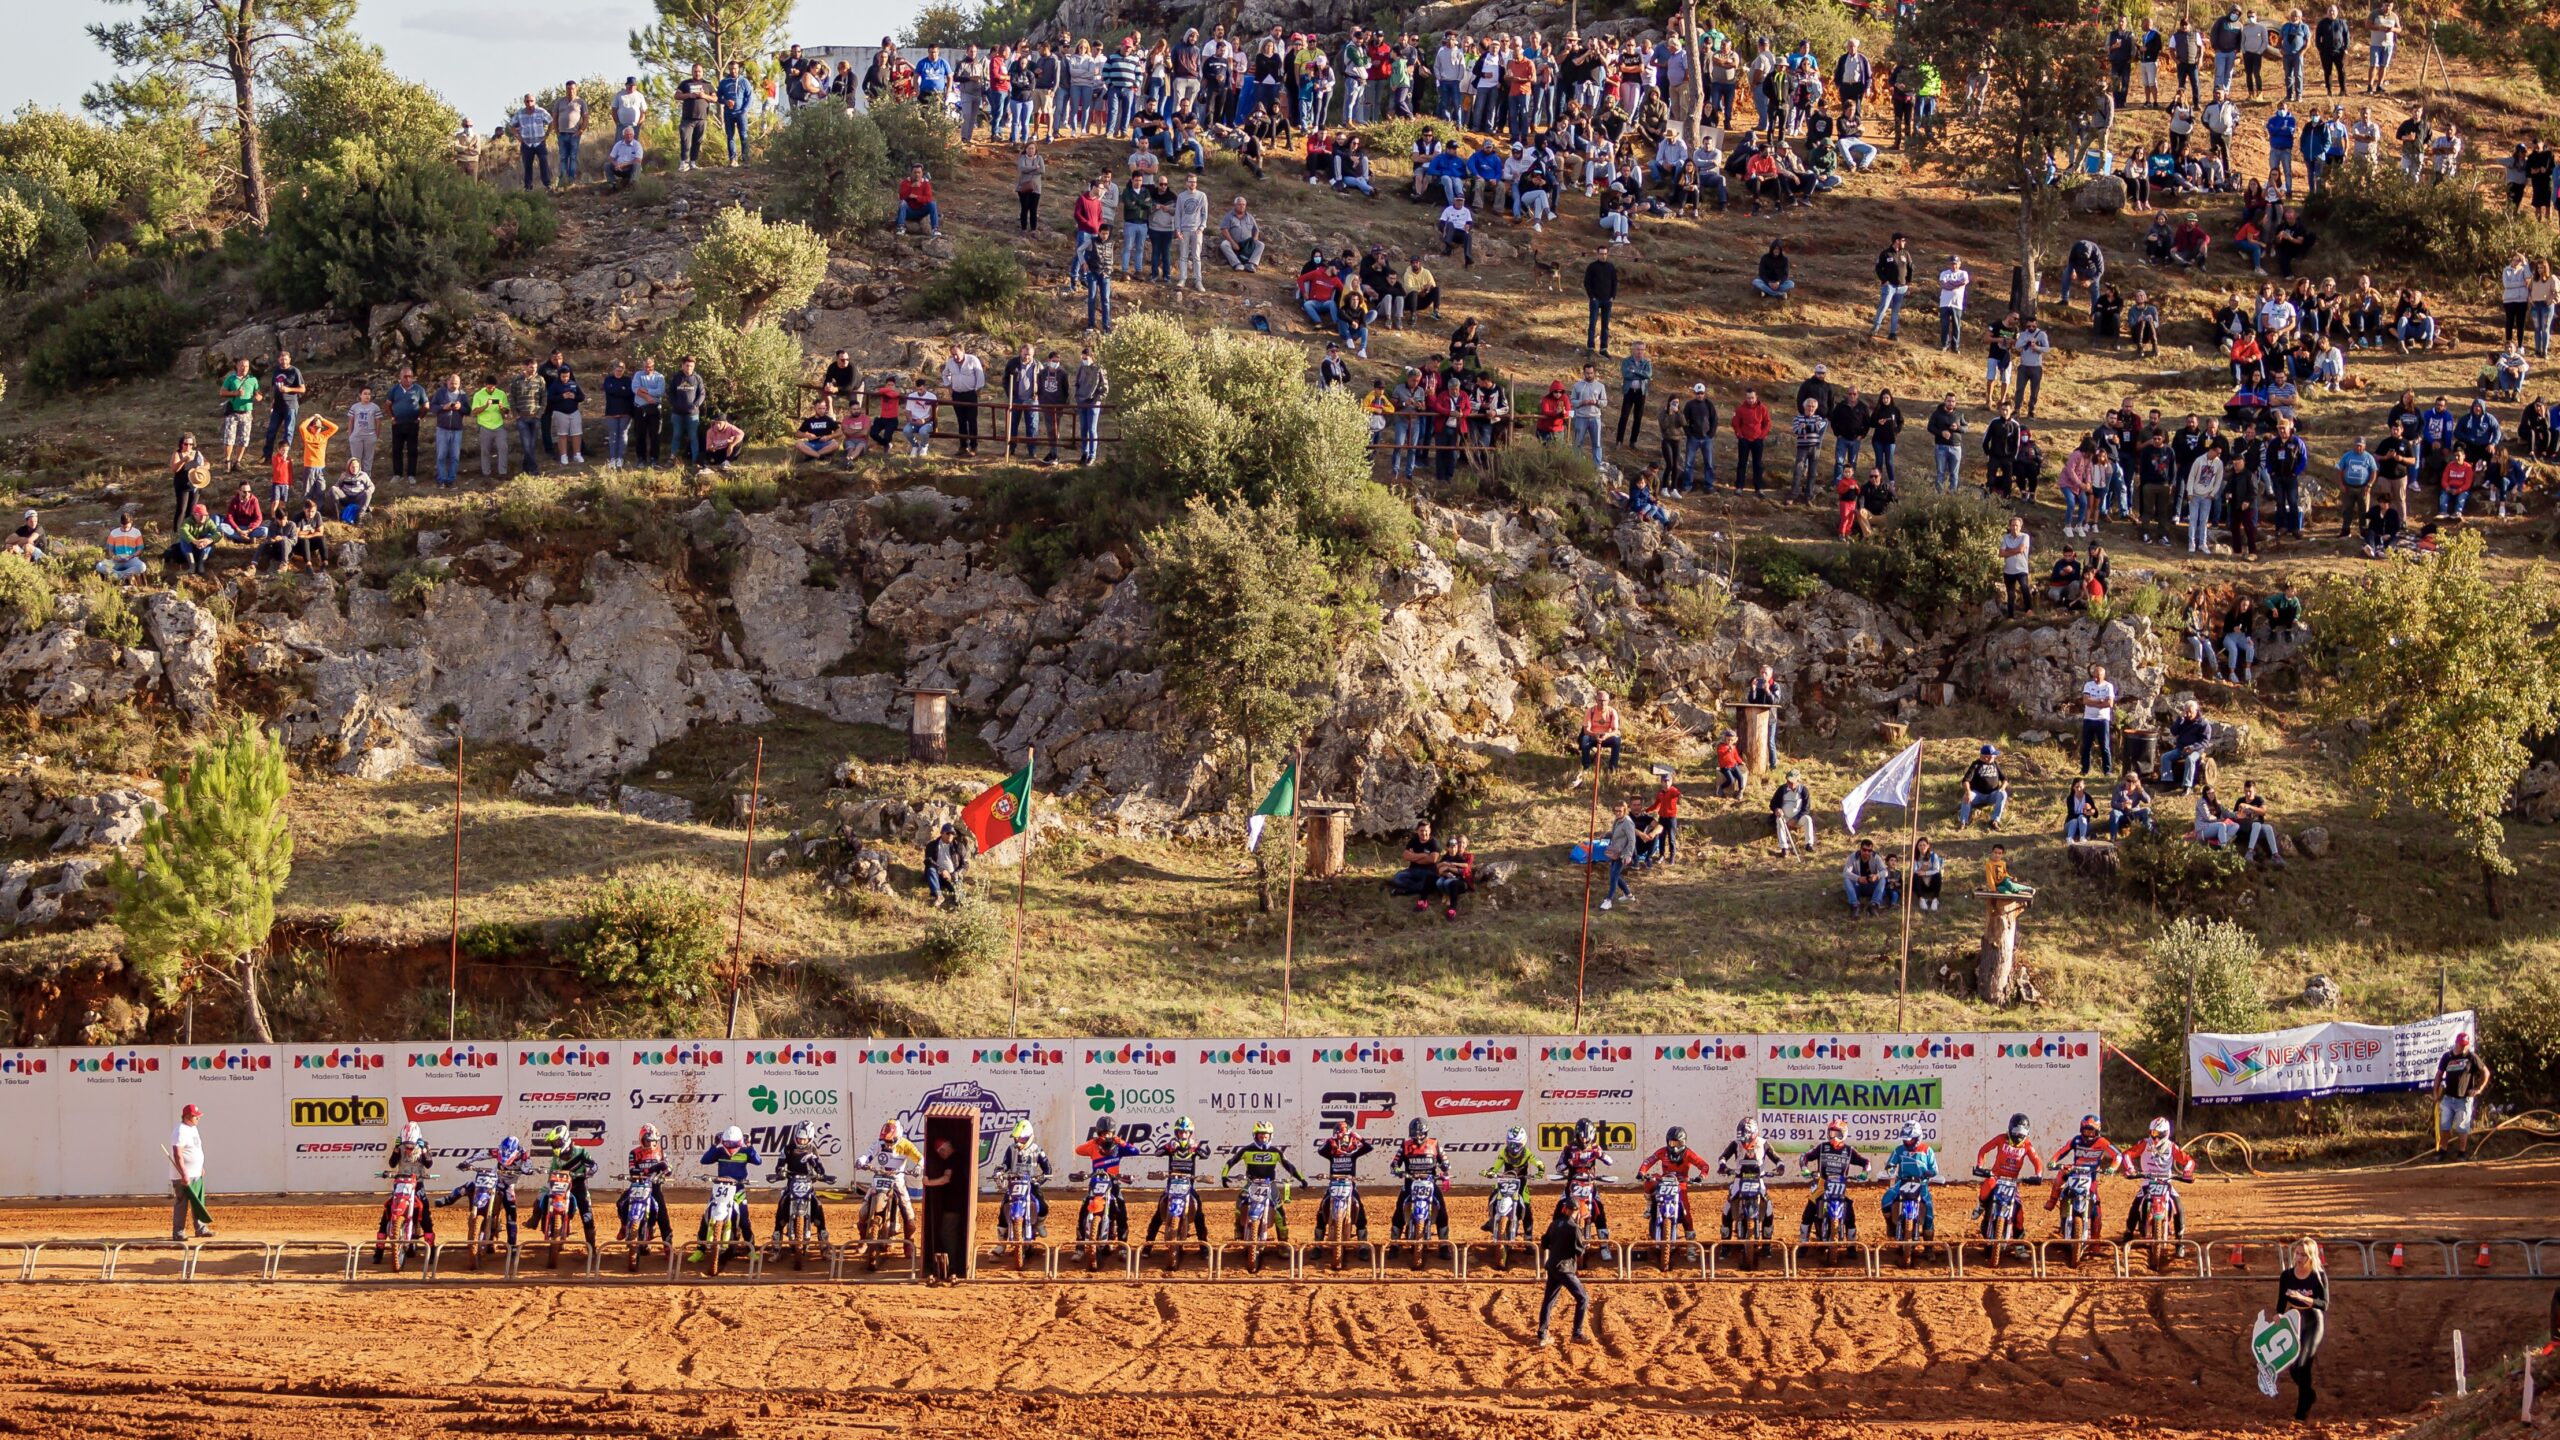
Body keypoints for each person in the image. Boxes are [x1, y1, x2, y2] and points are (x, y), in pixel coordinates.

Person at [1218, 1120, 1307, 1239]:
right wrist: (1224, 1176)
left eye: (1266, 1136)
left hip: (1270, 1184)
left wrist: (1301, 1179)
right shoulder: (1247, 1150)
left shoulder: (1275, 1152)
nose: (1263, 1139)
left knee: (1279, 1212)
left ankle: (1283, 1241)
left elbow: (1289, 1166)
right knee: (1240, 1204)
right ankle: (1238, 1230)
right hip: (1251, 1183)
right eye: (1260, 1136)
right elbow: (1231, 1161)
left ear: (1270, 1136)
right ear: (1255, 1136)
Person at [2276, 1237, 2329, 1420]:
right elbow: (2281, 1300)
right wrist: (2278, 1315)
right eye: (2297, 1254)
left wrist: (2304, 1298)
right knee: (2294, 1369)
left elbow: (2324, 1304)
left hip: (2313, 1321)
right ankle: (2308, 1395)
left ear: (2311, 1256)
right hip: (2294, 1319)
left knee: (2303, 1365)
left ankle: (2301, 1413)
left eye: (2303, 1255)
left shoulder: (2318, 1276)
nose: (2299, 1258)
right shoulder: (2287, 1275)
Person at [1796, 1119, 1872, 1242]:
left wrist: (1864, 1172)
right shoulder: (1822, 1147)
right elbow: (1805, 1156)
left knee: (1850, 1214)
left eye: (1838, 1134)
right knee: (1809, 1211)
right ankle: (1803, 1243)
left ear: (1844, 1134)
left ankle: (1852, 1245)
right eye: (1832, 1133)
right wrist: (1804, 1168)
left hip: (1841, 1187)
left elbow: (1866, 1162)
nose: (1834, 1137)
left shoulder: (1849, 1151)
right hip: (1823, 1184)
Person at [373, 1122, 439, 1261]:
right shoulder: (400, 1146)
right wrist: (397, 1149)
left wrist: (424, 1150)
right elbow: (392, 1163)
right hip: (401, 1183)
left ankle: (431, 1249)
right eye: (406, 1145)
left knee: (425, 1214)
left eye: (411, 1146)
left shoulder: (424, 1145)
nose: (408, 1149)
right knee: (388, 1210)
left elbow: (429, 1164)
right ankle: (379, 1250)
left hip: (417, 1184)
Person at [1534, 1200, 1590, 1346]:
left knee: (1548, 1301)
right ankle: (1577, 1333)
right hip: (1565, 1269)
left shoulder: (1554, 1224)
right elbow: (1579, 1251)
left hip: (1552, 1266)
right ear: (1578, 1211)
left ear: (1565, 1209)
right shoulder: (1574, 1228)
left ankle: (1542, 1334)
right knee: (1583, 1298)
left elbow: (1544, 1243)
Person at [2433, 1032, 2492, 1158]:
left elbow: (2486, 1072)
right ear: (2456, 1043)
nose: (2464, 1047)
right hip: (2448, 1098)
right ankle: (2443, 1150)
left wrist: (2479, 1088)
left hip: (2464, 1099)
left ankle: (2462, 1152)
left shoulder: (2471, 1057)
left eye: (2466, 1045)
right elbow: (2439, 1075)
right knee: (2445, 1126)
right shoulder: (2447, 1056)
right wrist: (2435, 1092)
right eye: (2462, 1044)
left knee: (2462, 1127)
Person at [167, 1102, 214, 1241]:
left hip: (196, 1174)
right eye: (195, 1116)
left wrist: (200, 1167)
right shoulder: (180, 1131)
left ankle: (201, 1228)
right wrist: (184, 1173)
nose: (198, 1118)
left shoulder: (193, 1129)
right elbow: (177, 1154)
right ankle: (178, 1232)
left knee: (198, 1202)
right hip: (183, 1176)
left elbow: (196, 1149)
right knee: (182, 1203)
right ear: (187, 1116)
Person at [1957, 744, 2009, 830]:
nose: (1995, 757)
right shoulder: (1976, 765)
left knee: (2003, 794)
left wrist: (2003, 787)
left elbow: (2005, 779)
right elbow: (1966, 780)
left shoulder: (1995, 764)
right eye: (1993, 755)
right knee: (1966, 796)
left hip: (1992, 795)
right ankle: (1963, 822)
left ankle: (1995, 820)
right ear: (1986, 757)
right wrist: (1968, 792)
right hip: (1978, 795)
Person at [1600, 800, 1638, 911]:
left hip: (1623, 854)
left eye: (1620, 811)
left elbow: (1632, 840)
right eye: (1616, 811)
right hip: (1615, 852)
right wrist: (1606, 835)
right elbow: (1615, 833)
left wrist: (1628, 855)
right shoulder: (1617, 820)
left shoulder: (1628, 823)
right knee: (1614, 875)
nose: (1617, 813)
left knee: (1613, 876)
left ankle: (1608, 900)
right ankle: (1628, 895)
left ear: (1625, 811)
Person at [98, 507, 148, 587]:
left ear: (131, 522)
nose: (125, 529)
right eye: (123, 526)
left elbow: (140, 549)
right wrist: (114, 557)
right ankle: (121, 576)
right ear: (120, 523)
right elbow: (110, 551)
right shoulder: (114, 533)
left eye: (127, 527)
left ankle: (119, 576)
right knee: (99, 566)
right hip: (117, 560)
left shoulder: (136, 532)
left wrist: (132, 556)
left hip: (131, 559)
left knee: (142, 566)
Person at [1771, 769, 1814, 856]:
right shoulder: (1782, 789)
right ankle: (1784, 848)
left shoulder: (1804, 790)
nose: (1789, 783)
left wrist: (1795, 819)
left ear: (1798, 781)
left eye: (1791, 782)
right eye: (1788, 781)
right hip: (1784, 817)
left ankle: (1809, 844)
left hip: (1798, 818)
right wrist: (1777, 809)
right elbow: (1773, 803)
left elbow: (1806, 809)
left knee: (1808, 819)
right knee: (1779, 820)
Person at [1577, 690, 1621, 774]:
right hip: (1593, 736)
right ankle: (1586, 767)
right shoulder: (1590, 711)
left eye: (1605, 701)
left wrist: (1607, 735)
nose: (1602, 703)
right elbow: (1586, 730)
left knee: (1617, 740)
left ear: (1608, 701)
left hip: (1607, 737)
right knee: (1585, 739)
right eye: (1600, 700)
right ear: (1596, 700)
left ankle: (1613, 768)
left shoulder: (1612, 712)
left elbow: (1616, 730)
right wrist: (1595, 734)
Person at [924, 821, 967, 906]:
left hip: (952, 875)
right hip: (937, 874)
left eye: (952, 834)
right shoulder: (932, 845)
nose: (950, 836)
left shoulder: (959, 846)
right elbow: (928, 861)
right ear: (942, 833)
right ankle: (939, 896)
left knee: (959, 890)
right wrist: (942, 870)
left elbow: (965, 864)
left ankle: (961, 903)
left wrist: (957, 873)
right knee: (931, 869)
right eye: (948, 833)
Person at [1843, 839, 1890, 916]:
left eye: (1869, 851)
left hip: (1871, 886)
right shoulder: (1853, 857)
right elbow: (1845, 872)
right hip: (1858, 886)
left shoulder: (1876, 857)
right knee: (1846, 880)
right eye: (1864, 850)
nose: (1867, 853)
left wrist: (1876, 876)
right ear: (1860, 849)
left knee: (1882, 879)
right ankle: (1855, 905)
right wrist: (1858, 878)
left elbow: (1885, 871)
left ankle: (1874, 905)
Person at [2111, 772, 2156, 837]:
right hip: (2122, 814)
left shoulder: (2138, 790)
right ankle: (2113, 837)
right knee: (2114, 813)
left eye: (2134, 781)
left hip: (2135, 814)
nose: (2131, 783)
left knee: (2147, 810)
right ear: (2125, 781)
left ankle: (2149, 835)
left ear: (2137, 782)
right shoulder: (2119, 789)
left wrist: (2140, 789)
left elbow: (2147, 801)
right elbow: (2113, 803)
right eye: (2129, 781)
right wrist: (2123, 805)